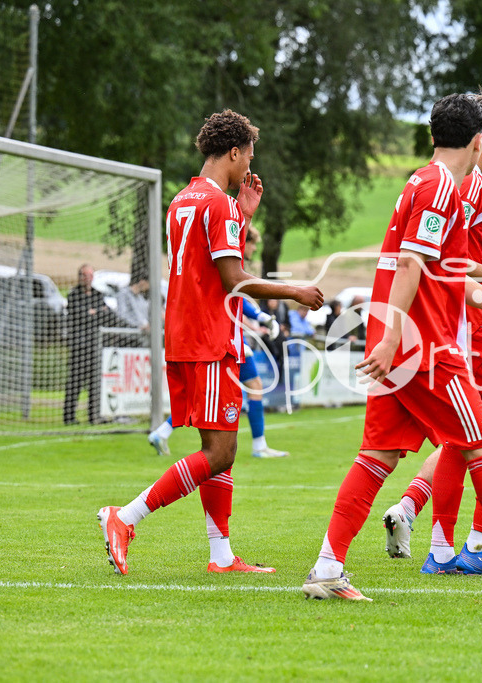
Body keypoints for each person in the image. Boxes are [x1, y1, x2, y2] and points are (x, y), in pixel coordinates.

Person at [302, 94, 482, 601]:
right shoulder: (442, 187)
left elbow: (450, 273)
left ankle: (327, 568)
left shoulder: (423, 180)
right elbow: (413, 265)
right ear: (481, 135)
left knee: (376, 456)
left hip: (403, 345)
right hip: (427, 349)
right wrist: (397, 333)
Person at [97, 109, 324, 576]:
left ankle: (221, 555)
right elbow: (234, 278)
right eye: (249, 155)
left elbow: (204, 263)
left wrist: (241, 215)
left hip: (183, 334)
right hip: (209, 337)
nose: (250, 165)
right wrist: (295, 290)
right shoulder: (215, 203)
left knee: (215, 445)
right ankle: (126, 516)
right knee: (221, 452)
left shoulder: (182, 200)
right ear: (234, 152)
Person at [380, 89, 482, 575]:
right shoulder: (463, 184)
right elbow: (440, 259)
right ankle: (477, 543)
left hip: (464, 321)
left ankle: (440, 541)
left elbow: (453, 248)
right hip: (470, 326)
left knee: (459, 438)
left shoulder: (468, 186)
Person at [147, 226, 289, 460]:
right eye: (253, 244)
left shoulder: (214, 257)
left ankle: (162, 432)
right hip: (227, 338)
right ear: (246, 241)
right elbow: (235, 296)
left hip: (218, 335)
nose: (254, 249)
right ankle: (258, 445)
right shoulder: (230, 260)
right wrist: (260, 316)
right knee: (249, 388)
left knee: (209, 397)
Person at [64, 264, 118, 425]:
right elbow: (80, 315)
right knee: (75, 382)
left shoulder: (97, 294)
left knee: (96, 382)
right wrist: (94, 313)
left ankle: (94, 415)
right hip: (79, 345)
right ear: (79, 277)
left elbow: (109, 316)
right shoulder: (74, 295)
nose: (86, 278)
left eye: (89, 275)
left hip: (95, 345)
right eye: (83, 275)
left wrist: (93, 313)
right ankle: (69, 417)